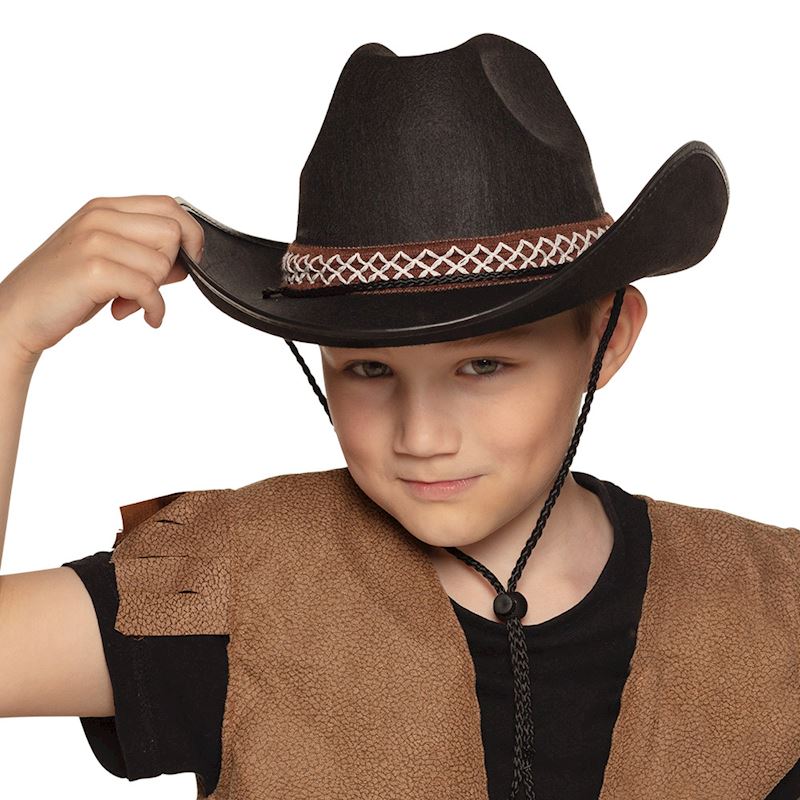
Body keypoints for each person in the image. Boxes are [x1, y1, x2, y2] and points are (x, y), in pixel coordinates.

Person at [1, 33, 798, 800]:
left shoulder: (778, 604)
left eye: (483, 366)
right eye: (370, 369)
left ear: (608, 336)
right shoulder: (236, 581)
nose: (421, 437)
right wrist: (11, 336)